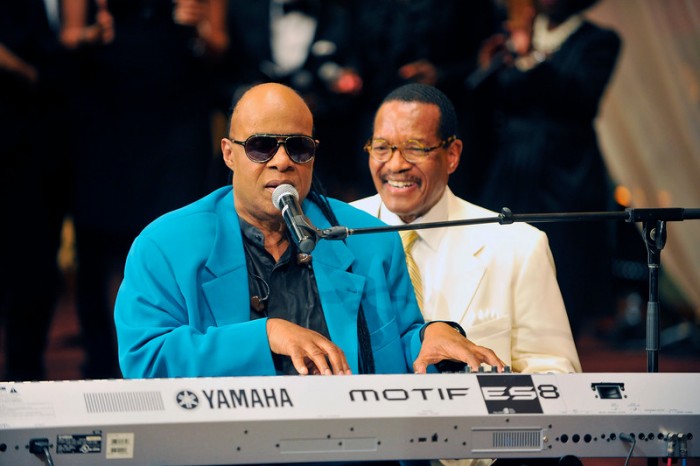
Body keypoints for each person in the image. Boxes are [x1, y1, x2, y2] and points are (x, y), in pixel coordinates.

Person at [114, 82, 504, 381]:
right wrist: (266, 336)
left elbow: (401, 347)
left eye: (298, 147)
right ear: (229, 154)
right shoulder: (164, 245)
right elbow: (146, 358)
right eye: (261, 146)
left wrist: (432, 336)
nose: (282, 161)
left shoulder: (369, 239)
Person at [352, 83, 581, 375]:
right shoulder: (332, 233)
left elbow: (556, 372)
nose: (396, 165)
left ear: (452, 155)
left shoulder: (518, 246)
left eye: (415, 148)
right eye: (382, 148)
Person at [474, 0, 622, 337]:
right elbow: (494, 96)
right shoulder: (512, 34)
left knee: (563, 252)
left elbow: (580, 98)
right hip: (512, 161)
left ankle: (558, 344)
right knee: (500, 243)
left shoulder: (598, 40)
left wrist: (530, 57)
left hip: (565, 167)